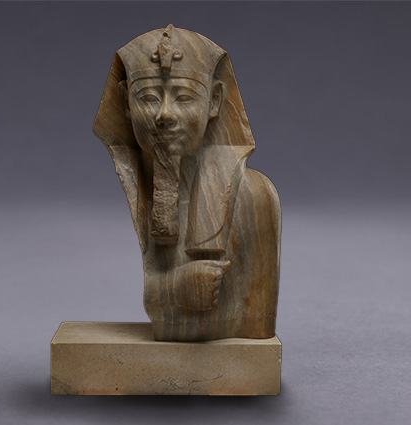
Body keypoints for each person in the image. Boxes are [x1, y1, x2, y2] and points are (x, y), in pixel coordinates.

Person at [93, 25, 281, 341]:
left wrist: (168, 292)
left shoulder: (253, 195)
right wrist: (173, 288)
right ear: (126, 102)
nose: (165, 115)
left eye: (184, 97)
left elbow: (257, 326)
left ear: (214, 101)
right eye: (148, 98)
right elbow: (162, 287)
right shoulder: (145, 184)